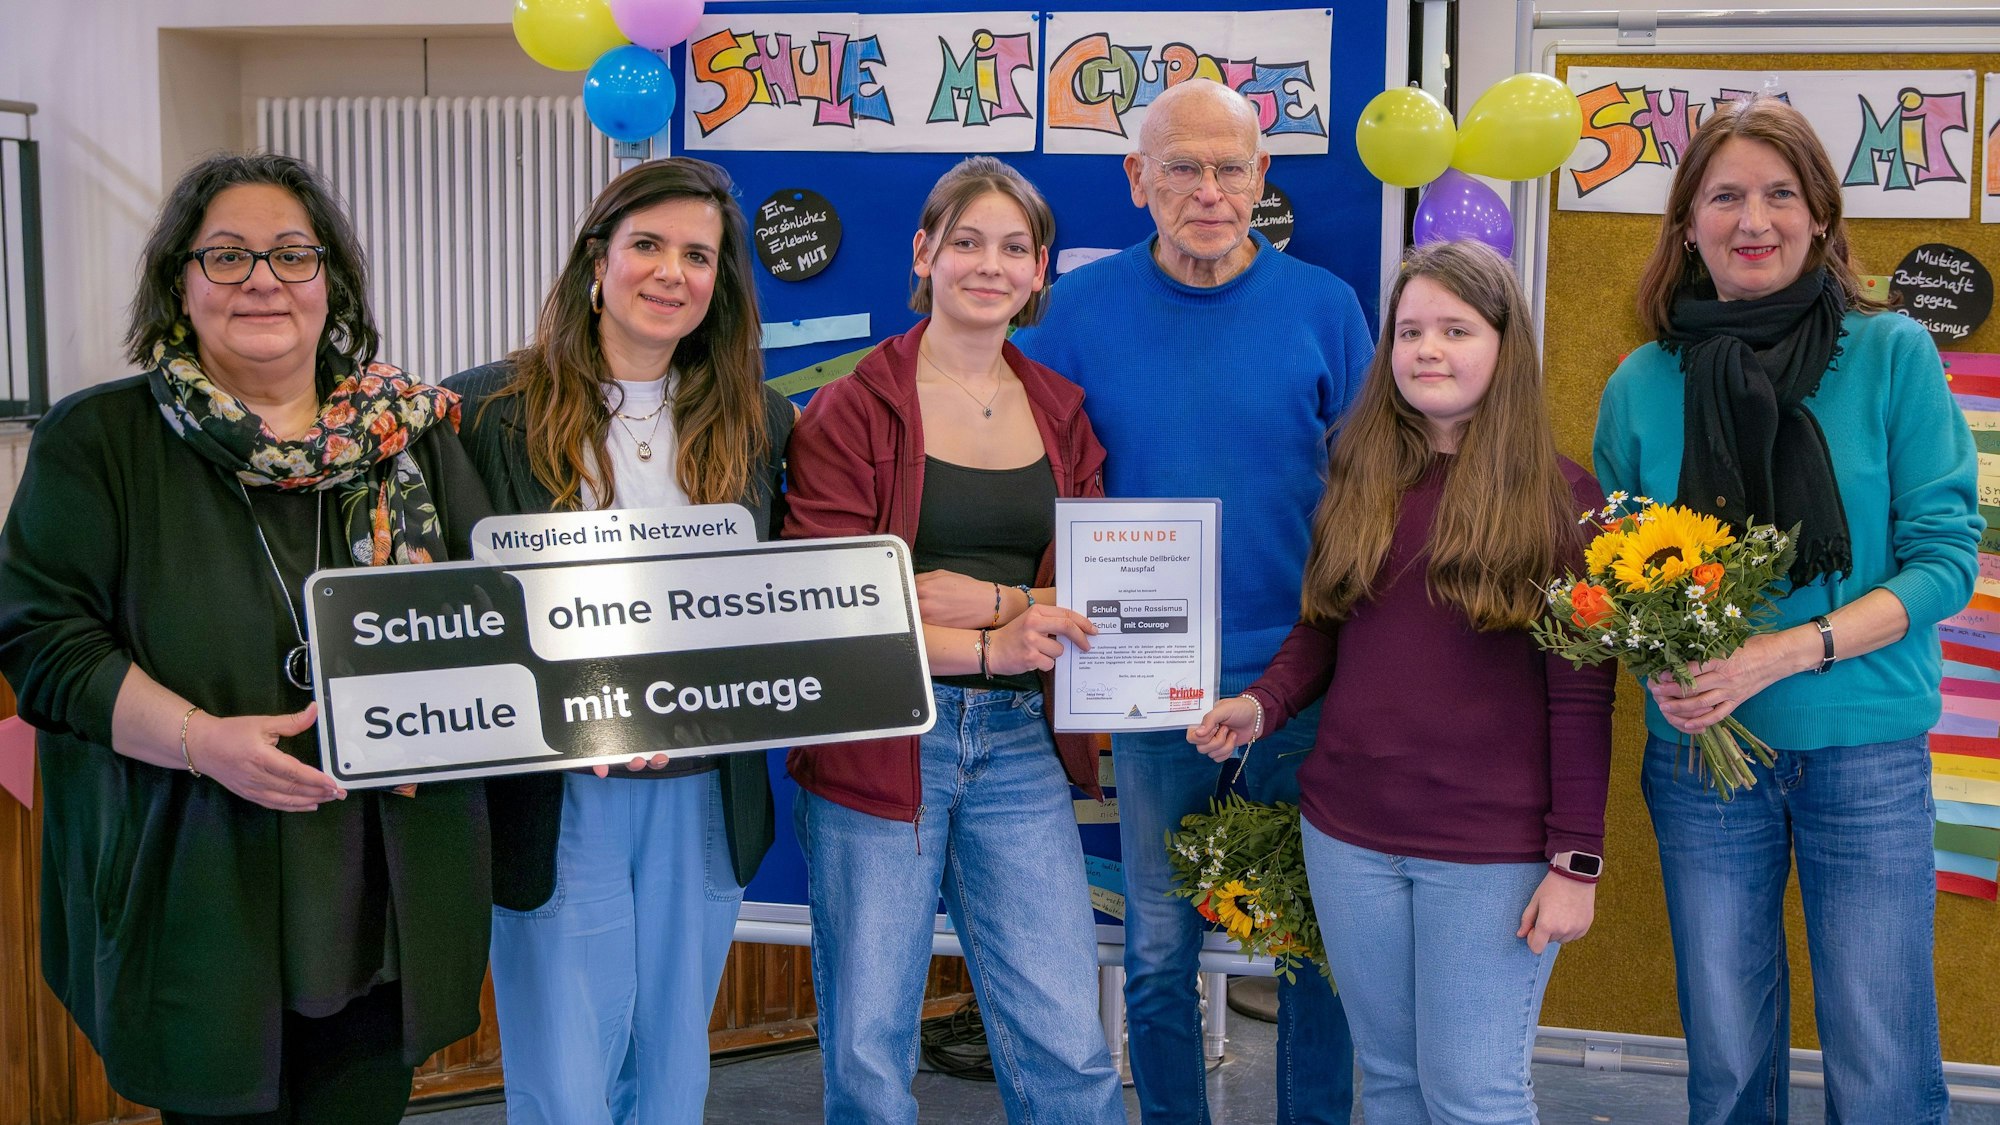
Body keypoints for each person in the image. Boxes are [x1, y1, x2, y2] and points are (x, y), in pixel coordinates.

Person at [0, 153, 492, 1123]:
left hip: (381, 891)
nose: (263, 279)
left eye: (291, 254)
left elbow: (497, 623)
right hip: (196, 883)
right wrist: (199, 739)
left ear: (329, 282)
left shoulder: (413, 437)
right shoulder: (100, 439)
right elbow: (42, 642)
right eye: (226, 256)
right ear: (178, 283)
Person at [1594, 94, 1979, 1125]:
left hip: (1864, 748)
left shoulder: (1891, 353)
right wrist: (1662, 666)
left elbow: (1945, 562)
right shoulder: (1640, 383)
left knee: (1878, 1054)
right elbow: (1619, 578)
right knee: (1725, 1058)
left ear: (1819, 216)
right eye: (1725, 196)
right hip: (1703, 760)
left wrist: (1785, 651)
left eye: (1778, 193)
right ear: (1687, 224)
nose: (1752, 219)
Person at [1190, 239, 1615, 1123]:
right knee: (1387, 1080)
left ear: (1505, 344)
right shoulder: (1361, 475)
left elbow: (1583, 695)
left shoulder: (1567, 502)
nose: (1428, 349)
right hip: (1348, 837)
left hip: (1491, 852)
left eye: (1456, 329)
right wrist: (1261, 704)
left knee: (1473, 1092)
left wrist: (1576, 860)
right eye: (1410, 331)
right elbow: (1326, 625)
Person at [1009, 78, 1365, 1125]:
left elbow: (1368, 494)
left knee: (1310, 942)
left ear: (1260, 177)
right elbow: (1028, 480)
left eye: (1229, 168)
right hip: (1142, 673)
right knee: (1158, 944)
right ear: (1137, 179)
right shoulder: (1070, 314)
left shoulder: (1326, 308)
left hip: (1297, 675)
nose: (1208, 191)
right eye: (1181, 167)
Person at [444, 158, 791, 1125]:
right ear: (596, 261)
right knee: (565, 1072)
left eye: (698, 255)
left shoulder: (760, 420)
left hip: (704, 786)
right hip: (557, 788)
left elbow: (777, 603)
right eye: (648, 245)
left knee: (674, 1065)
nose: (671, 272)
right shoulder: (481, 413)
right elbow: (459, 606)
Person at [783, 155, 1126, 1125]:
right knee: (868, 1050)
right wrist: (993, 644)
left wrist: (989, 600)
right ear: (923, 252)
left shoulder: (1061, 410)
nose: (989, 264)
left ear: (1039, 270)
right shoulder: (855, 405)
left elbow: (1092, 591)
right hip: (881, 740)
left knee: (1067, 1037)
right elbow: (830, 605)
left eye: (1014, 248)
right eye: (966, 241)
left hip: (1019, 745)